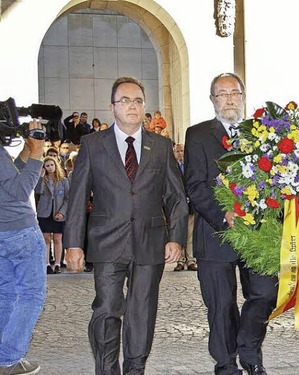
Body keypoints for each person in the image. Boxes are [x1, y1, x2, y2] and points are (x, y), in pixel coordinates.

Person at [63, 76, 189, 374]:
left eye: (137, 101)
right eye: (125, 101)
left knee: (141, 312)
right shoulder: (92, 145)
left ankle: (135, 368)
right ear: (112, 107)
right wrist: (73, 244)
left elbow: (176, 197)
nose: (131, 106)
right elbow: (78, 197)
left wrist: (177, 238)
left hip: (150, 243)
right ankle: (107, 370)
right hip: (107, 242)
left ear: (144, 108)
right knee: (106, 309)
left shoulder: (161, 146)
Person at [184, 72, 277, 375]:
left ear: (243, 96)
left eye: (234, 93)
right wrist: (223, 214)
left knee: (264, 293)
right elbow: (195, 185)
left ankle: (249, 349)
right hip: (215, 235)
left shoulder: (263, 134)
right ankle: (226, 364)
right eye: (221, 94)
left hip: (257, 236)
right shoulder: (197, 135)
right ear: (212, 100)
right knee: (221, 305)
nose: (229, 99)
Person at [0, 120, 47, 375]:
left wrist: (27, 152)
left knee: (6, 294)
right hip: (19, 231)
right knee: (31, 295)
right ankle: (9, 359)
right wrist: (38, 151)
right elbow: (19, 190)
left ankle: (2, 355)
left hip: (2, 232)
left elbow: (9, 179)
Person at [35, 156, 69, 274]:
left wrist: (62, 212)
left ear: (56, 165)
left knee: (58, 238)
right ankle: (47, 263)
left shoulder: (63, 181)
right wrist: (40, 176)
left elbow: (67, 198)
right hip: (45, 212)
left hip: (58, 212)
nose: (50, 167)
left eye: (52, 165)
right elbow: (37, 191)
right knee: (46, 239)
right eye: (47, 165)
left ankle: (58, 263)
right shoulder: (42, 180)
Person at [172, 143, 196, 272]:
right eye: (178, 151)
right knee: (179, 232)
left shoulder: (190, 166)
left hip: (190, 204)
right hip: (177, 205)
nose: (180, 154)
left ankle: (191, 259)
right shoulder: (171, 166)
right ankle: (180, 260)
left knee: (190, 233)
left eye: (182, 151)